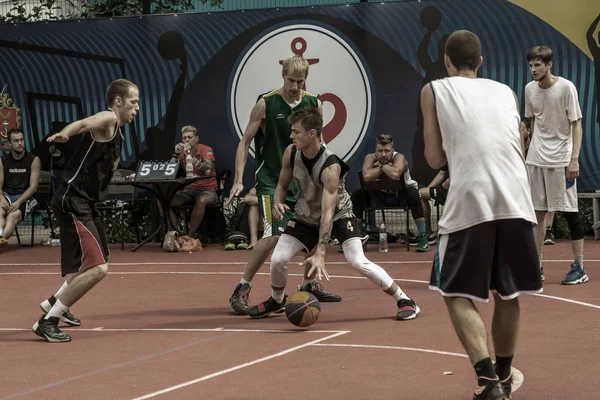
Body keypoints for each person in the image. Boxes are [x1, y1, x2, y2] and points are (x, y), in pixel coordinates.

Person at [422, 30, 542, 399]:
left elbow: (434, 159)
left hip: (471, 198)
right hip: (517, 199)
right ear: (481, 62)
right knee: (509, 292)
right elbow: (517, 142)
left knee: (453, 290)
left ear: (446, 61)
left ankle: (488, 381)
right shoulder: (505, 90)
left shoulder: (434, 89)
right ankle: (503, 375)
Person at [247, 107, 420, 321]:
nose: (291, 135)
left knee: (357, 260)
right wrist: (278, 201)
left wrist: (320, 252)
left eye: (295, 131)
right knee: (278, 259)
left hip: (339, 216)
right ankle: (277, 299)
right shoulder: (291, 152)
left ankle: (405, 300)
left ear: (312, 133)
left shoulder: (331, 166)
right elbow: (282, 183)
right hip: (305, 215)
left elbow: (327, 214)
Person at [227, 55, 341, 315]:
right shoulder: (266, 103)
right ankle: (242, 288)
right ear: (283, 76)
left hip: (302, 182)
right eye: (290, 80)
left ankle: (309, 285)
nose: (294, 86)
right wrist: (237, 180)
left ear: (305, 80)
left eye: (299, 81)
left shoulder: (314, 104)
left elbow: (320, 145)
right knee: (274, 235)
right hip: (271, 181)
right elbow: (244, 142)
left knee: (313, 228)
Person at [32, 79, 139, 342]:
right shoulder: (108, 118)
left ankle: (54, 303)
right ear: (118, 101)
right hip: (73, 201)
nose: (136, 108)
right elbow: (82, 124)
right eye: (133, 102)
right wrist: (65, 133)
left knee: (98, 260)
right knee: (98, 268)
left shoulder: (117, 130)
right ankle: (48, 320)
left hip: (85, 202)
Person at [525, 45, 587, 284]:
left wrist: (574, 158)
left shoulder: (566, 87)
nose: (533, 69)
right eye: (530, 65)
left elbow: (577, 124)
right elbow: (531, 123)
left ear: (549, 64)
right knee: (537, 214)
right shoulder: (530, 89)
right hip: (536, 160)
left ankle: (579, 267)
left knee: (570, 213)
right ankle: (536, 266)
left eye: (538, 65)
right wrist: (527, 152)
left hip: (562, 159)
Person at [351, 134, 430, 252]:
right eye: (380, 151)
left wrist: (381, 165)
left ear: (392, 150)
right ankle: (356, 238)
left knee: (414, 194)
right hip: (378, 195)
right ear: (375, 151)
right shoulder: (370, 158)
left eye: (387, 151)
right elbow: (366, 176)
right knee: (357, 195)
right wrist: (386, 167)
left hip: (401, 195)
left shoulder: (400, 158)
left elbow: (395, 174)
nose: (383, 154)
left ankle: (422, 237)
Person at [169, 125, 218, 239]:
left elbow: (207, 169)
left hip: (208, 190)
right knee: (166, 201)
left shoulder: (206, 149)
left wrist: (191, 157)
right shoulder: (182, 153)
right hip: (189, 189)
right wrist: (176, 154)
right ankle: (177, 235)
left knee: (201, 201)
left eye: (189, 137)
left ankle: (189, 237)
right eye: (184, 138)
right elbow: (169, 170)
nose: (186, 140)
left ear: (196, 139)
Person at [0, 128, 41, 245]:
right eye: (16, 141)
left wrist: (18, 202)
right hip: (7, 195)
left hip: (26, 198)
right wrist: (2, 199)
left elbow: (33, 187)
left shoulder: (33, 160)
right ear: (10, 144)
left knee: (12, 216)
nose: (20, 143)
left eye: (21, 140)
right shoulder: (3, 161)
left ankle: (1, 237)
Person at [419, 164, 449, 243]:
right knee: (420, 194)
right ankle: (429, 234)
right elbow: (442, 174)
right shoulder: (449, 154)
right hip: (447, 190)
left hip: (462, 190)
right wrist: (428, 189)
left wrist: (449, 181)